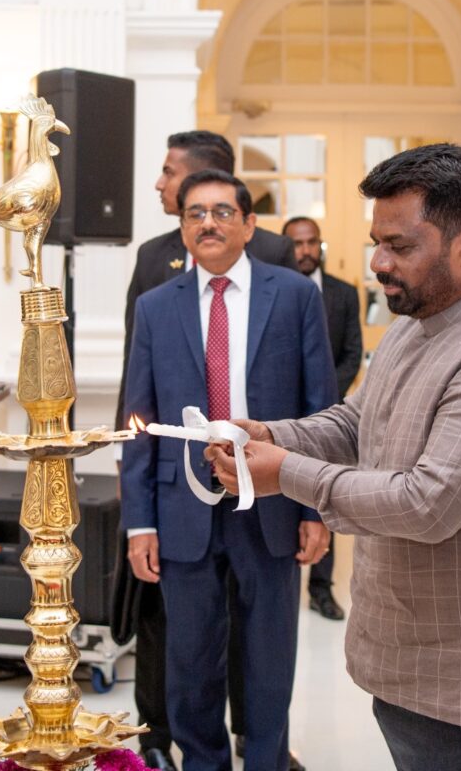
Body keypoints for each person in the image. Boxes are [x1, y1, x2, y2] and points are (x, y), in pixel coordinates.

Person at [211, 144, 461, 771]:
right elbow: (360, 422)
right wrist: (272, 434)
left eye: (400, 246)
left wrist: (284, 473)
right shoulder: (415, 322)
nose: (378, 262)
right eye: (377, 243)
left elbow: (426, 503)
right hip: (411, 654)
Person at [122, 168, 337, 771]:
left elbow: (320, 411)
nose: (208, 223)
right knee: (190, 662)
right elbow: (138, 416)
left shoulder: (294, 296)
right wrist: (140, 522)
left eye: (222, 212)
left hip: (272, 500)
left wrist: (316, 509)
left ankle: (266, 762)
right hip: (181, 508)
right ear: (182, 227)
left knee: (269, 657)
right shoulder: (155, 307)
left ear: (248, 224)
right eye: (195, 213)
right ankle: (203, 763)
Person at [282, 215, 363, 621]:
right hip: (281, 416)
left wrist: (325, 397)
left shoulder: (343, 293)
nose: (305, 250)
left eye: (311, 242)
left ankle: (321, 588)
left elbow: (352, 353)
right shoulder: (275, 294)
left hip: (329, 416)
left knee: (323, 496)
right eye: (297, 243)